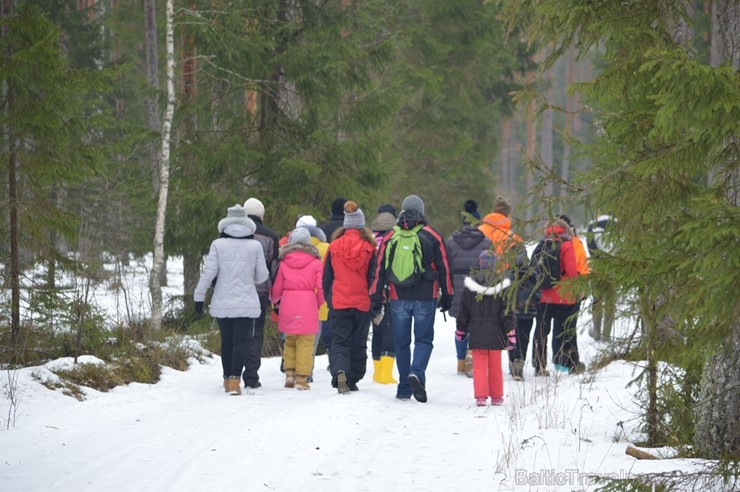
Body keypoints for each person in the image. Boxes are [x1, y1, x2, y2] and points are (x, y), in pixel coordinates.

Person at [370, 194, 454, 403]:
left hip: (398, 297)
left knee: (402, 343)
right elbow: (444, 267)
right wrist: (448, 295)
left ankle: (404, 388)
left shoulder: (391, 236)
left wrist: (376, 297)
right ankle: (416, 372)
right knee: (424, 340)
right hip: (426, 296)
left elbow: (379, 269)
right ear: (421, 211)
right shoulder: (432, 235)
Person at [193, 204, 269, 395]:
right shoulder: (255, 246)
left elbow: (209, 272)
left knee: (227, 341)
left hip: (223, 299)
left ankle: (227, 380)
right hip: (246, 299)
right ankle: (236, 381)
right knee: (241, 341)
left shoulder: (217, 245)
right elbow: (262, 277)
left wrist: (199, 296)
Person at [322, 200, 377, 394]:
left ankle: (340, 371)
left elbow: (326, 277)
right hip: (362, 303)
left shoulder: (334, 246)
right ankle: (353, 378)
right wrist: (375, 303)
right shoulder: (370, 249)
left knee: (339, 341)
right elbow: (373, 279)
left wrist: (330, 299)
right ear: (362, 226)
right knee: (358, 342)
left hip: (339, 301)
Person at [455, 250, 517, 406]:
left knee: (480, 365)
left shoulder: (471, 286)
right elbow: (507, 312)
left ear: (480, 264)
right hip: (496, 333)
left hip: (477, 331)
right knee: (495, 365)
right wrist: (510, 331)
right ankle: (496, 396)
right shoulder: (502, 285)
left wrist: (461, 330)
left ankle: (481, 396)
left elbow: (464, 312)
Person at [270, 228, 325, 390]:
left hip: (288, 304)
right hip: (308, 304)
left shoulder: (284, 261)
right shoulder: (316, 262)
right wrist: (320, 302)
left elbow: (277, 287)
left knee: (290, 341)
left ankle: (289, 375)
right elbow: (320, 287)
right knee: (306, 342)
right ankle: (302, 378)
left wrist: (275, 302)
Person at [445, 199, 492, 378]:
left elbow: (446, 266)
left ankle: (460, 362)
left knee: (461, 325)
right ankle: (472, 353)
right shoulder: (487, 243)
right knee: (477, 324)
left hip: (458, 288)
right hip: (479, 287)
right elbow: (491, 269)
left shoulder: (451, 242)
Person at [532, 218, 583, 376]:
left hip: (545, 295)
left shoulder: (542, 244)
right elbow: (572, 273)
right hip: (564, 296)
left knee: (541, 331)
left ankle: (539, 366)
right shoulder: (567, 245)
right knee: (567, 331)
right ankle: (570, 363)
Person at [241, 197, 280, 390]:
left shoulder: (233, 233)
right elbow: (274, 266)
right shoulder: (270, 236)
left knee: (238, 331)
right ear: (261, 215)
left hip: (237, 289)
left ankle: (232, 373)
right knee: (255, 333)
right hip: (260, 290)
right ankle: (251, 376)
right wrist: (272, 287)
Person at [369, 203, 398, 384]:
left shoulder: (370, 239)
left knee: (377, 330)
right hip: (391, 290)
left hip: (373, 291)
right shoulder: (395, 238)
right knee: (390, 330)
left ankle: (377, 372)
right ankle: (386, 374)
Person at [586, 214, 616, 341]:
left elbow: (590, 245)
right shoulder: (617, 224)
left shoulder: (592, 226)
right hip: (614, 266)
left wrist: (596, 259)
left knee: (597, 299)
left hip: (596, 266)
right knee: (610, 301)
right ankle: (606, 335)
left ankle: (597, 331)